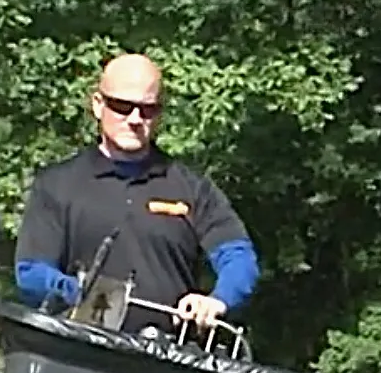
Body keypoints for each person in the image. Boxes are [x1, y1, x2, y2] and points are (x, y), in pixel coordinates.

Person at [13, 53, 259, 335]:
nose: (134, 119)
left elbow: (238, 257)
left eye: (147, 109)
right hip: (76, 354)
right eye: (121, 106)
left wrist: (216, 301)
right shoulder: (56, 184)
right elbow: (31, 273)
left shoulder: (192, 188)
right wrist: (83, 292)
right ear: (97, 105)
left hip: (164, 362)